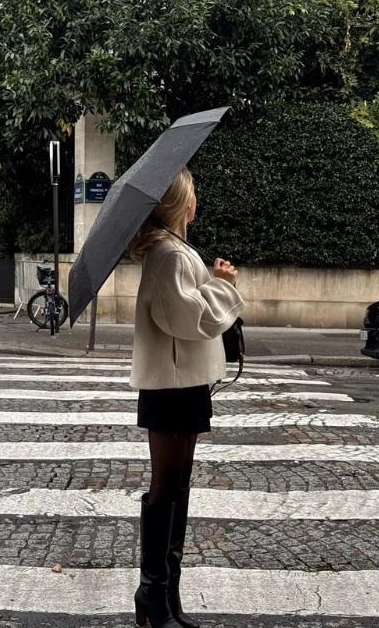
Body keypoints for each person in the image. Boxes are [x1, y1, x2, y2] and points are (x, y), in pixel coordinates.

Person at [128, 166, 245, 628]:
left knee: (177, 487)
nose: (197, 201)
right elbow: (188, 318)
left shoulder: (175, 251)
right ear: (182, 203)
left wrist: (213, 281)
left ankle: (165, 598)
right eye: (192, 194)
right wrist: (223, 286)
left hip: (183, 381)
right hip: (173, 384)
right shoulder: (171, 256)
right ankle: (152, 597)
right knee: (166, 488)